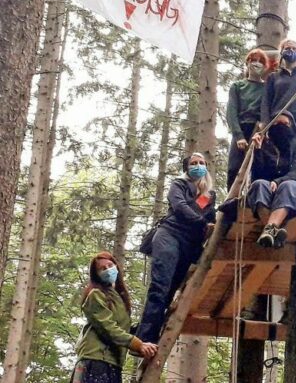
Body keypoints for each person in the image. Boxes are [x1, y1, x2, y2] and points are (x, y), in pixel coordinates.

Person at [136, 152, 216, 343]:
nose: (198, 166)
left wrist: (211, 223)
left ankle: (152, 328)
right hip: (170, 234)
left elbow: (208, 216)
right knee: (160, 285)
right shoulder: (178, 185)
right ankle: (145, 337)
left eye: (201, 163)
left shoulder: (209, 195)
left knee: (172, 289)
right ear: (187, 169)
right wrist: (202, 222)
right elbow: (179, 206)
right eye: (193, 163)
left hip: (190, 243)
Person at [71, 252, 156, 382]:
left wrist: (148, 328)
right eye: (102, 269)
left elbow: (122, 329)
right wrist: (138, 345)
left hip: (113, 363)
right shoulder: (96, 295)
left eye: (110, 265)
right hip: (95, 360)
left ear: (116, 266)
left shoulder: (119, 298)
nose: (108, 270)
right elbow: (109, 328)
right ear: (97, 275)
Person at [247, 112, 296, 248]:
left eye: (285, 124)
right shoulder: (265, 146)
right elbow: (258, 174)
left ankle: (268, 230)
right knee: (259, 184)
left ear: (292, 126)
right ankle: (272, 229)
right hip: (267, 186)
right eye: (276, 123)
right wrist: (257, 150)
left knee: (289, 185)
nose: (281, 127)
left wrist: (278, 181)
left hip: (287, 184)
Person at [226, 48, 270, 189]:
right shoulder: (237, 86)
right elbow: (231, 112)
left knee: (258, 167)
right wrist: (238, 136)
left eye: (260, 62)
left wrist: (263, 130)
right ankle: (231, 203)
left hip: (258, 130)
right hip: (241, 128)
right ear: (247, 63)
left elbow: (265, 109)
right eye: (253, 61)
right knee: (234, 168)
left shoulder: (266, 88)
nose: (256, 64)